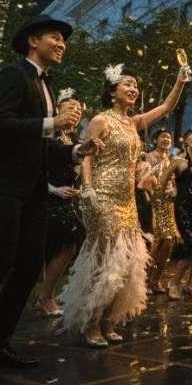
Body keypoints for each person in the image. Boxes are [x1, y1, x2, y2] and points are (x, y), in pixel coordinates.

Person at [61, 61, 190, 347]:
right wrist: (89, 189)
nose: (133, 89)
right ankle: (91, 323)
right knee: (106, 260)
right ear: (112, 90)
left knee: (126, 262)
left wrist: (180, 80)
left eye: (135, 85)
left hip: (127, 200)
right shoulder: (100, 120)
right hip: (102, 197)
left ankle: (109, 321)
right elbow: (86, 156)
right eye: (127, 84)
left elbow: (166, 108)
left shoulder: (134, 123)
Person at [0, 15, 102, 369]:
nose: (62, 45)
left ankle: (1, 341)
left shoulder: (50, 85)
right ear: (33, 40)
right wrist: (52, 123)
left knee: (29, 266)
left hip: (35, 193)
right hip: (9, 188)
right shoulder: (15, 75)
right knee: (4, 262)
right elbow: (4, 124)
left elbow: (41, 145)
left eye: (64, 40)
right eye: (55, 38)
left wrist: (77, 151)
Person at [38, 88, 87, 318]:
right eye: (70, 108)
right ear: (57, 110)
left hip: (67, 200)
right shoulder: (49, 134)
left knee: (70, 240)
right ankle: (46, 296)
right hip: (44, 197)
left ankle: (48, 294)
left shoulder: (75, 138)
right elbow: (36, 169)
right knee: (70, 236)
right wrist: (55, 190)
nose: (75, 112)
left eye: (78, 109)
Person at [157, 128, 192, 300]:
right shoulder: (178, 161)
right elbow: (162, 181)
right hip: (183, 208)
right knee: (190, 247)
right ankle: (174, 284)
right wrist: (167, 194)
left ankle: (191, 285)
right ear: (187, 141)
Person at [137, 127, 179, 294]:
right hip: (151, 204)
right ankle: (144, 281)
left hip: (167, 204)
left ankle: (156, 280)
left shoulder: (171, 160)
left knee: (168, 242)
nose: (166, 139)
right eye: (163, 137)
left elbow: (174, 181)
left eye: (168, 137)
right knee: (152, 243)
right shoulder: (147, 157)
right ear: (156, 140)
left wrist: (173, 190)